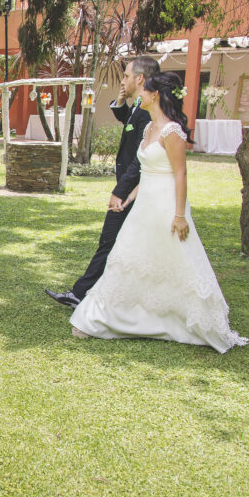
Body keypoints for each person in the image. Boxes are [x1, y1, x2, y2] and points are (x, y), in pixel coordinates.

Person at [69, 73, 248, 353]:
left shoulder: (172, 131)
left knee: (174, 260)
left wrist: (180, 215)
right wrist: (127, 199)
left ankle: (180, 319)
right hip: (144, 205)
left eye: (144, 91)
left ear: (155, 95)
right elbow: (148, 172)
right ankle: (106, 317)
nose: (140, 95)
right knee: (128, 257)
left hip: (166, 206)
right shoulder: (149, 128)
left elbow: (180, 174)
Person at [46, 56, 160, 309]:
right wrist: (120, 103)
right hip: (131, 187)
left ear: (140, 78)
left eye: (126, 76)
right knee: (118, 243)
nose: (123, 80)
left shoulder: (148, 112)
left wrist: (120, 191)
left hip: (134, 190)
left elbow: (140, 159)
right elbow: (129, 124)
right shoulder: (139, 107)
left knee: (112, 241)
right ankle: (87, 293)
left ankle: (83, 294)